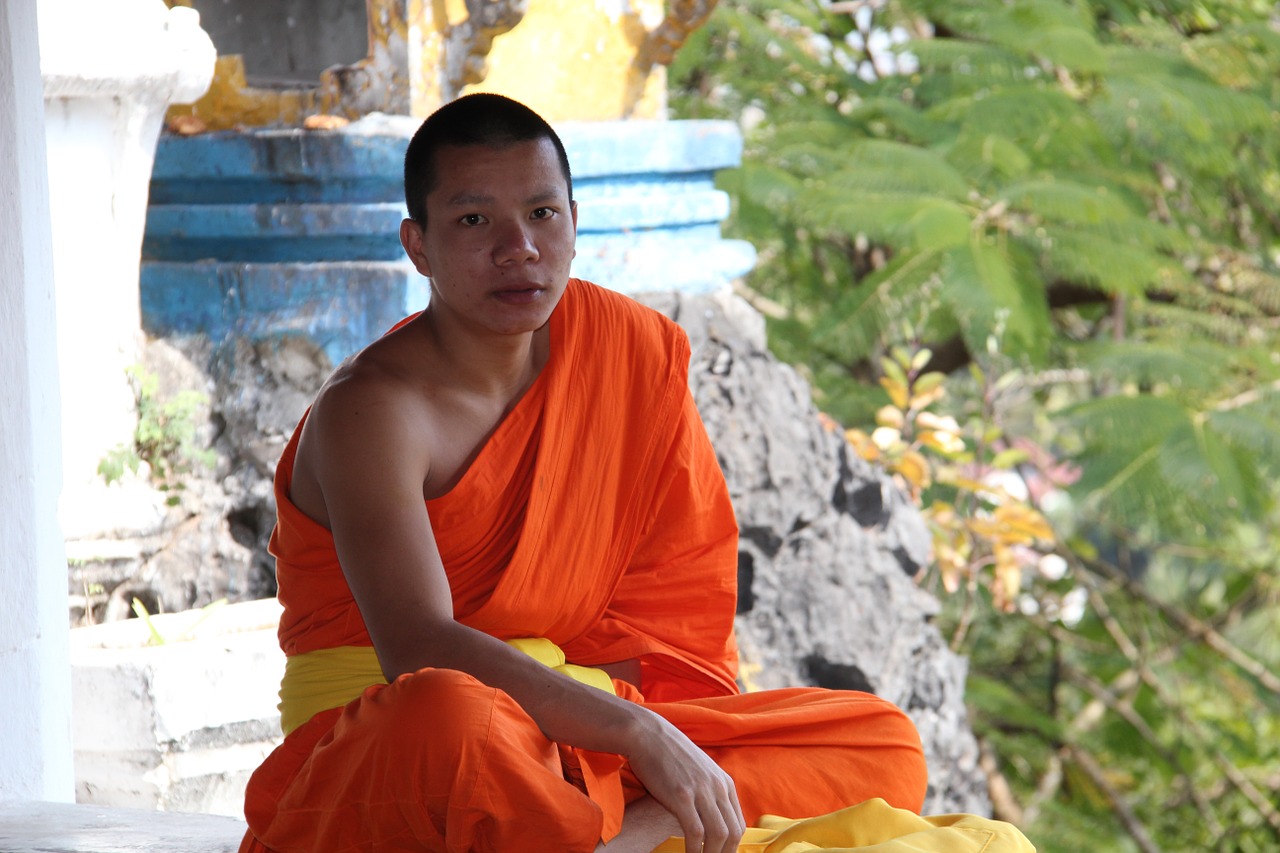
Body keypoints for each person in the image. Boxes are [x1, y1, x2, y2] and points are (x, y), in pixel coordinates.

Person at [237, 93, 931, 853]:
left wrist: (632, 729)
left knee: (879, 740)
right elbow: (420, 648)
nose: (518, 248)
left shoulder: (623, 355)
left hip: (569, 721)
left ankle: (629, 829)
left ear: (574, 219)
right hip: (388, 734)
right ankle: (609, 814)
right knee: (452, 719)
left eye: (541, 213)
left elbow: (661, 616)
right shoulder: (372, 412)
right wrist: (636, 731)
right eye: (474, 220)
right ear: (419, 246)